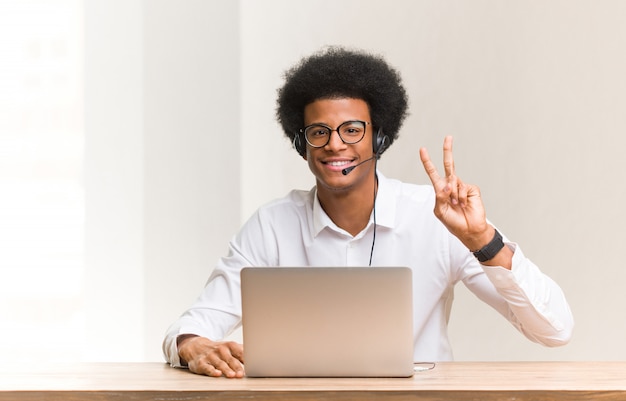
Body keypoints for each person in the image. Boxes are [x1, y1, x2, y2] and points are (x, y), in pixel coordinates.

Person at [163, 46, 574, 378]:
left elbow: (555, 330)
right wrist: (192, 345)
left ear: (379, 137)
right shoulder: (272, 225)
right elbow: (194, 326)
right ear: (301, 143)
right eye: (318, 132)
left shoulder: (435, 220)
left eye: (353, 129)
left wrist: (482, 241)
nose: (335, 144)